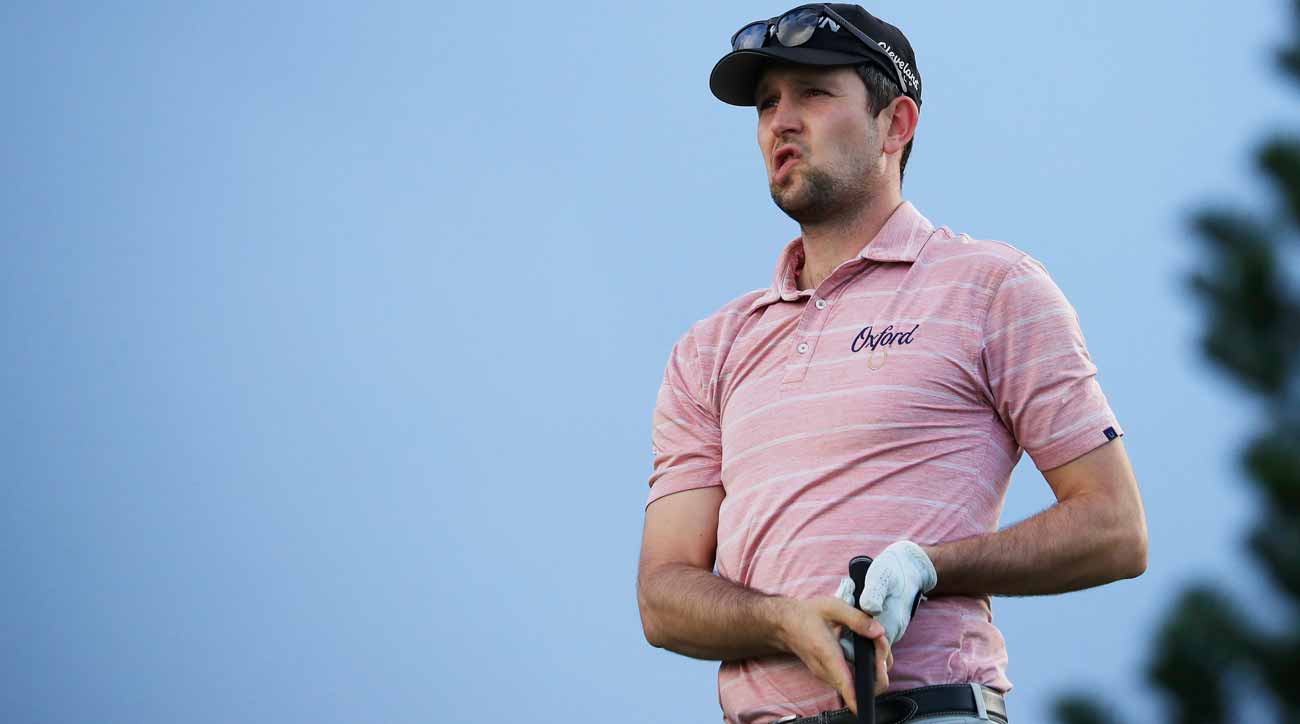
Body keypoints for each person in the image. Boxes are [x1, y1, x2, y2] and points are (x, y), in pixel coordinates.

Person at [635, 4, 1150, 724]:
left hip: (930, 710)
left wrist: (929, 565)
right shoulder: (710, 348)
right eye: (766, 103)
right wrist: (785, 620)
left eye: (813, 94)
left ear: (895, 124)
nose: (780, 121)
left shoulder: (993, 288)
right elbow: (663, 598)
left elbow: (1116, 529)